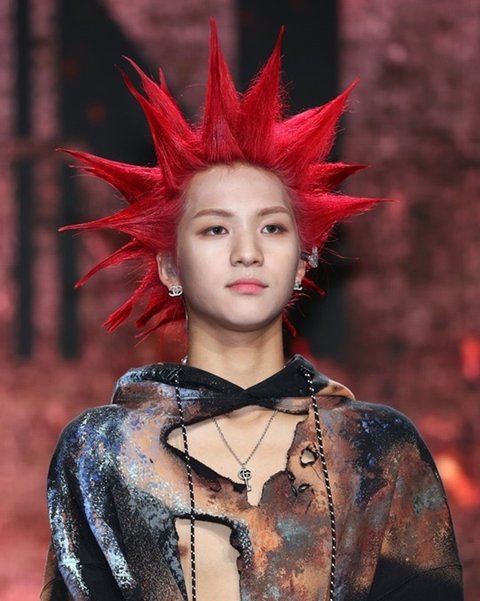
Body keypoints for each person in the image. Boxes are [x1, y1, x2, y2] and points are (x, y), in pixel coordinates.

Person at [41, 21, 463, 601]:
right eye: (216, 228)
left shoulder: (376, 448)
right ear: (170, 267)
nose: (247, 251)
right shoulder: (103, 451)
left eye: (272, 227)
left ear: (303, 262)